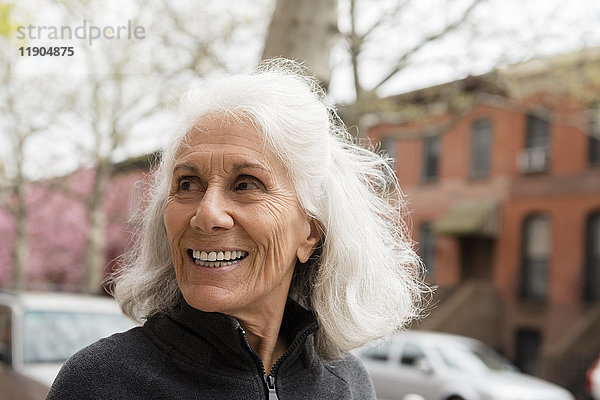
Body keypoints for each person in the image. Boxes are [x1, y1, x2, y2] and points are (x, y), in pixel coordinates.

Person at [46, 60, 426, 400]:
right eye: (188, 184)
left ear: (310, 232)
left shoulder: (347, 385)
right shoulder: (103, 383)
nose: (206, 214)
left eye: (245, 184)